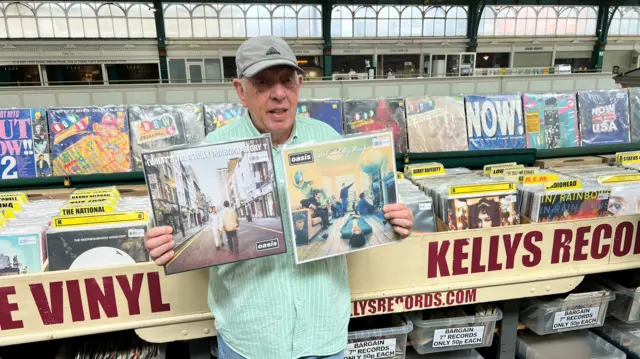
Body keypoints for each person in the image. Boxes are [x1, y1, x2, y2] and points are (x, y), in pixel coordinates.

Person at [143, 35, 414, 359]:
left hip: (323, 331)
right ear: (240, 91)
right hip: (251, 339)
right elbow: (158, 227)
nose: (279, 94)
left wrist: (396, 218)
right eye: (263, 82)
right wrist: (158, 241)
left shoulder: (327, 140)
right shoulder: (213, 149)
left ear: (300, 83)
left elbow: (371, 215)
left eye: (287, 80)